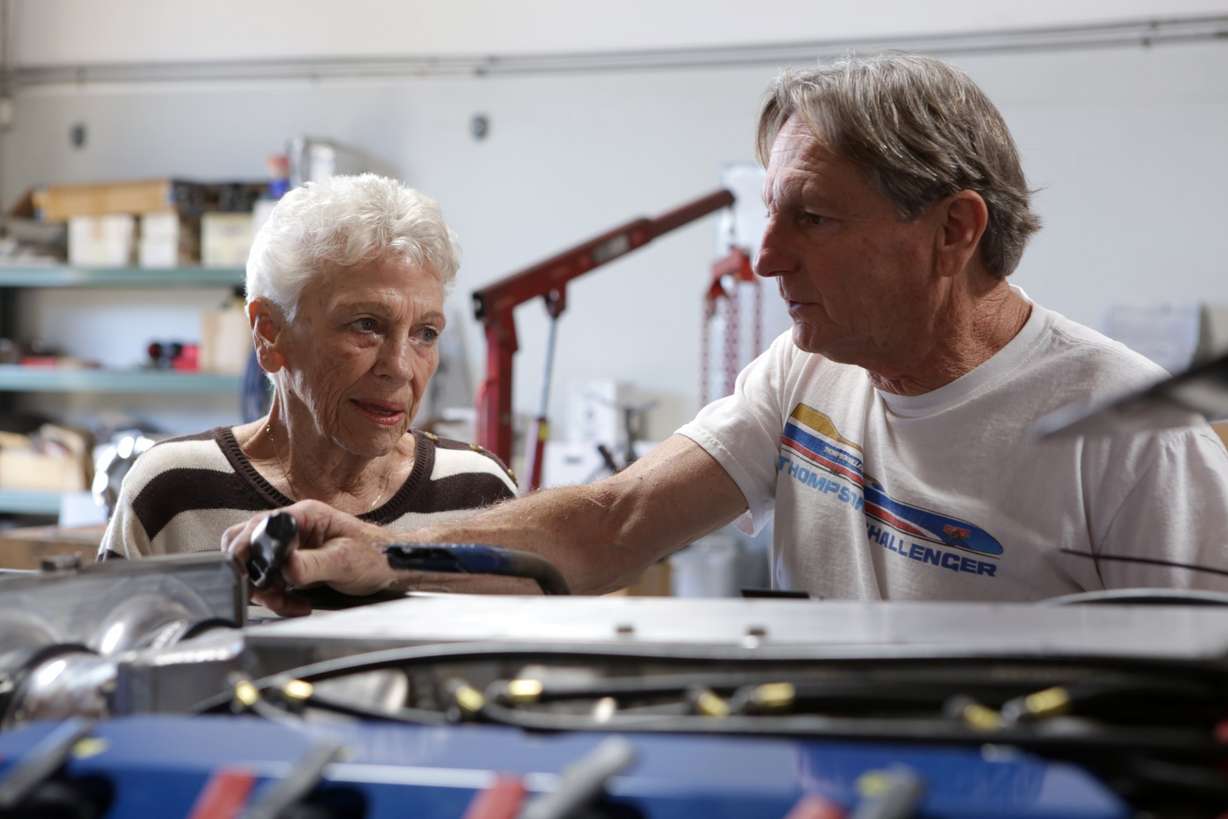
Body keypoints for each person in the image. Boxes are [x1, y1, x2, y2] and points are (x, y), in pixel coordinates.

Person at [225, 54, 1228, 613]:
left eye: (813, 219)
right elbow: (616, 523)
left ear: (952, 230)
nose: (766, 259)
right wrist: (382, 549)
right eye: (769, 218)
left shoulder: (1135, 437)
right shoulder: (805, 371)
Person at [99, 174, 517, 573]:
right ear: (269, 333)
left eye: (425, 333)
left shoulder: (478, 492)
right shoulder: (174, 492)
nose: (400, 368)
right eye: (366, 325)